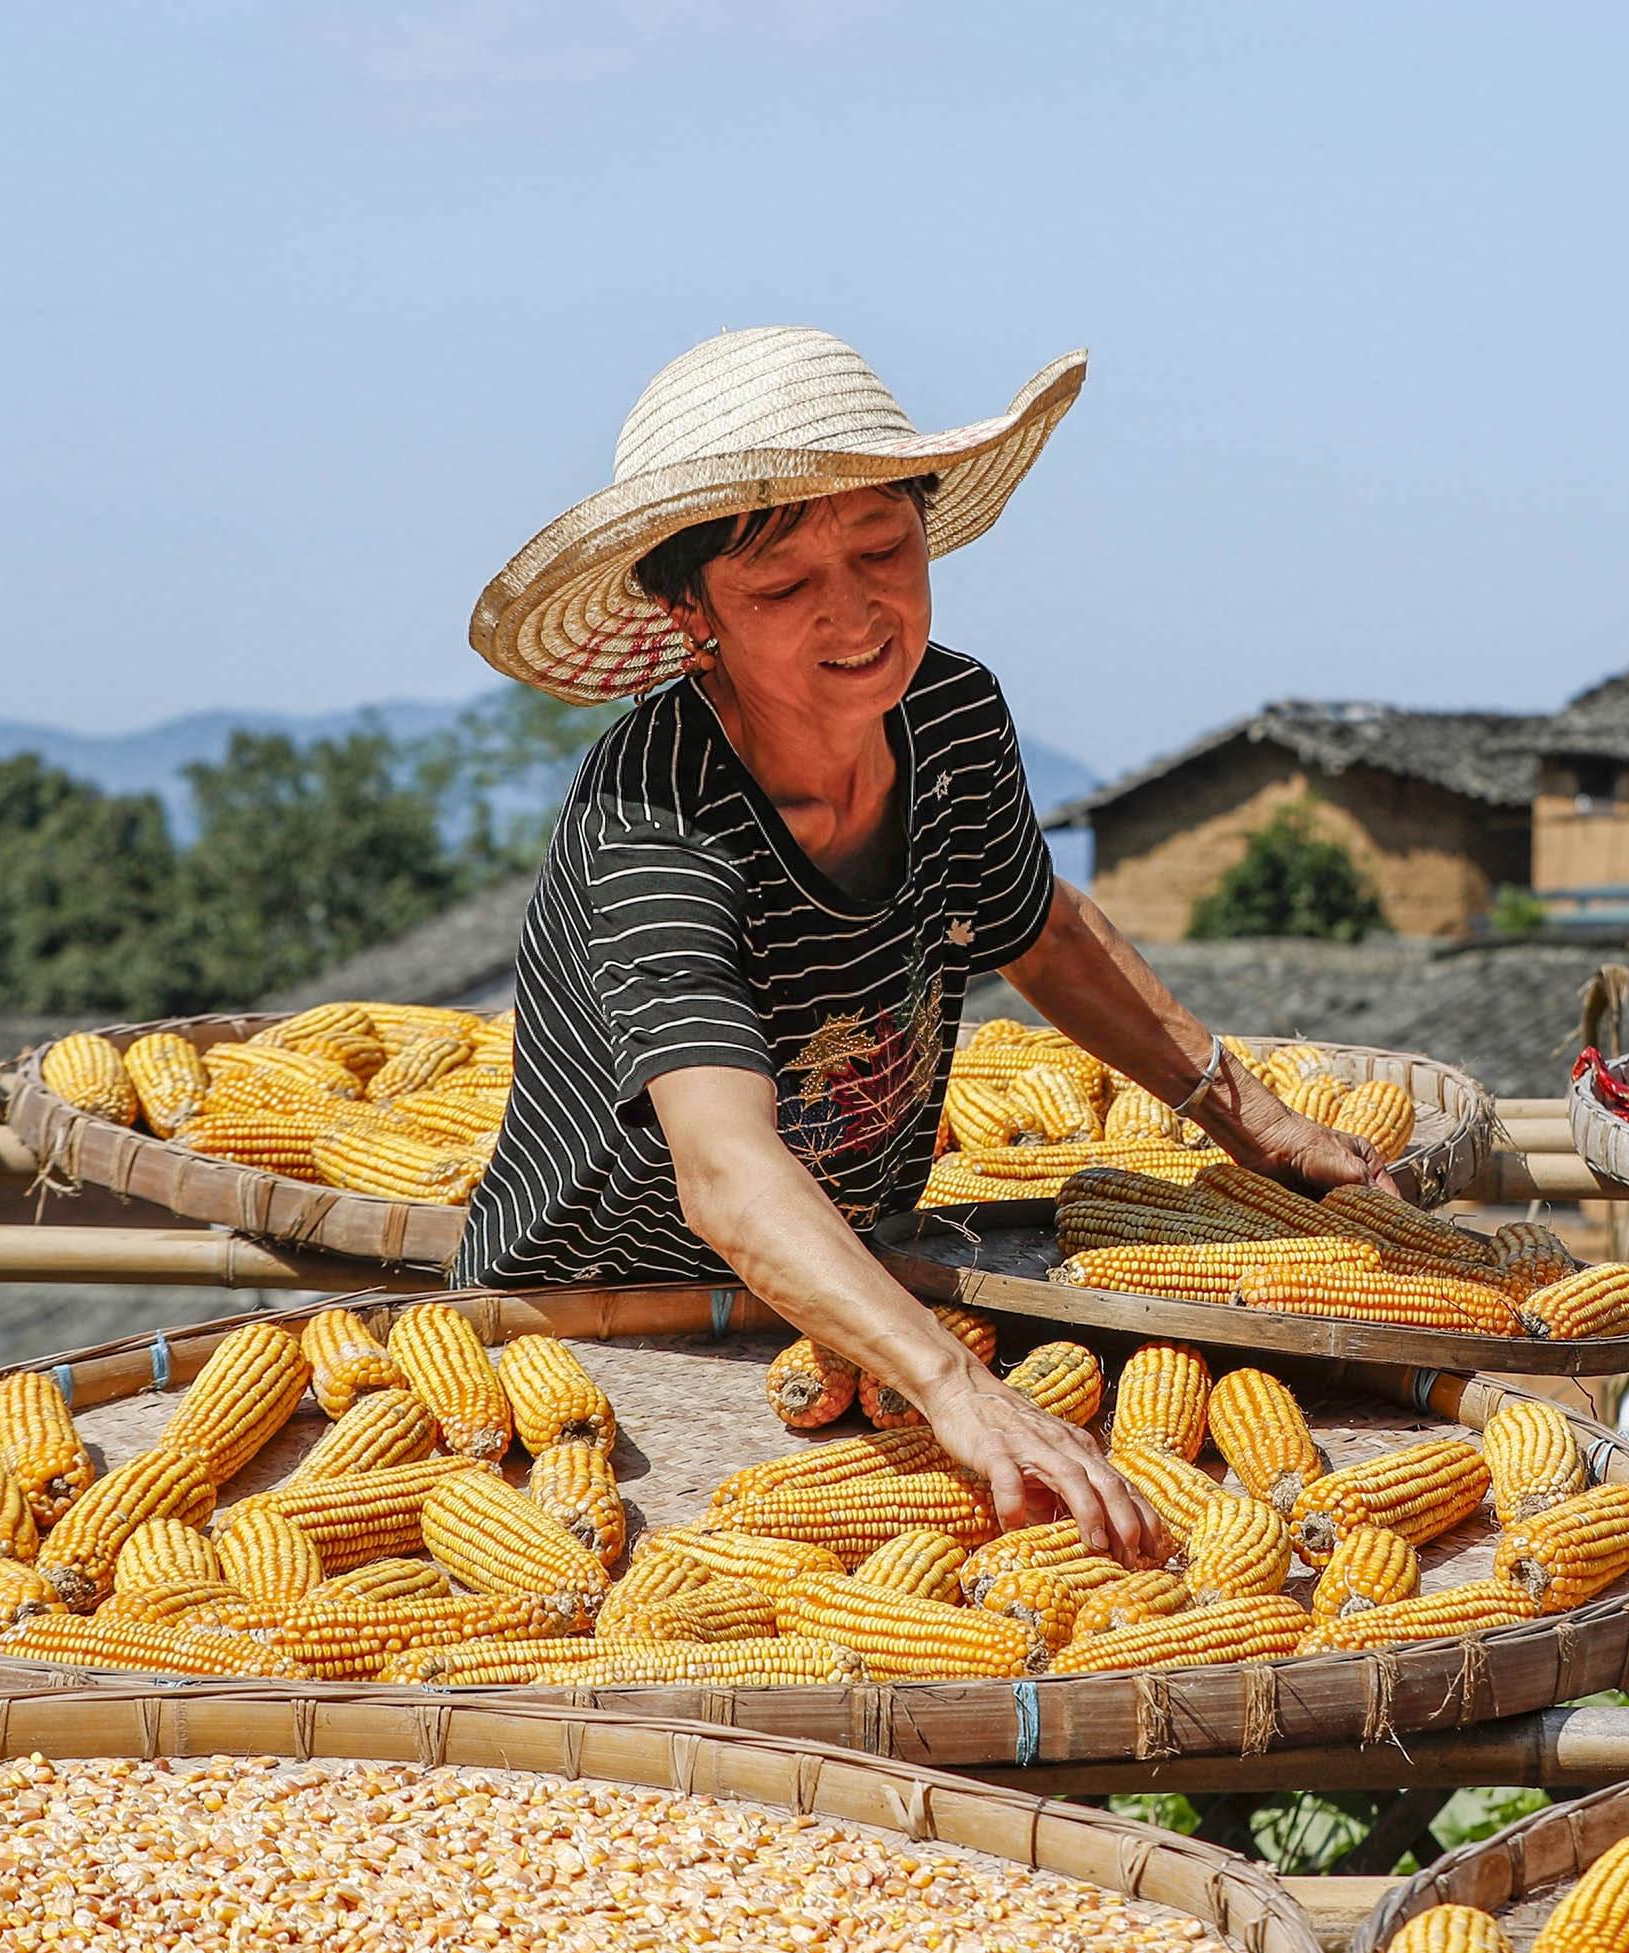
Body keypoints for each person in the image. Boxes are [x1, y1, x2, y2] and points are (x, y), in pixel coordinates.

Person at [460, 327, 1392, 1565]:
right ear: (692, 612)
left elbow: (1042, 929)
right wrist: (955, 1385)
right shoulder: (656, 819)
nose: (855, 614)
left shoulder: (952, 715)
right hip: (605, 1329)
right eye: (783, 587)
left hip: (858, 1298)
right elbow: (727, 1169)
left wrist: (1246, 1116)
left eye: (883, 548)